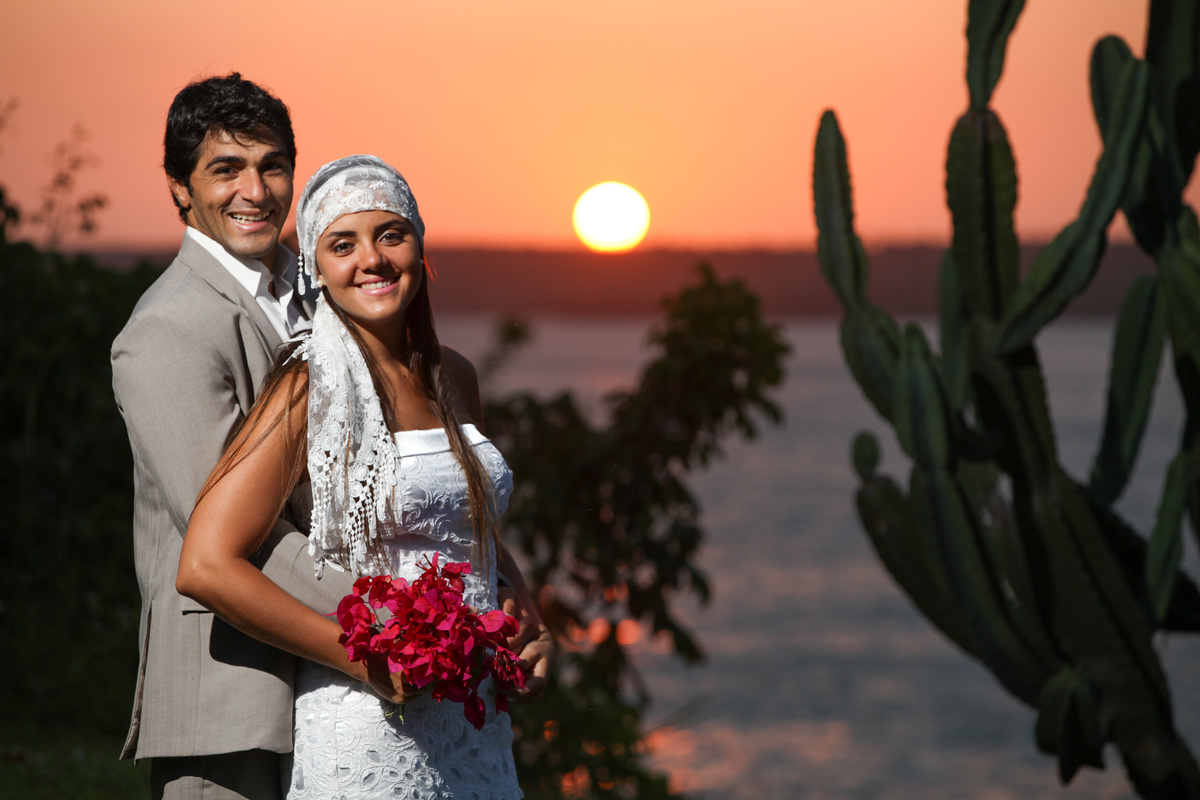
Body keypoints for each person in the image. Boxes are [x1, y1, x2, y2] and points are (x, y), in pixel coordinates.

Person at [112, 75, 547, 800]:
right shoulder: (165, 333)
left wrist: (506, 595)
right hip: (236, 696)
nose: (254, 189)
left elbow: (433, 501)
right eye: (226, 169)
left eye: (272, 165)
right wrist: (405, 624)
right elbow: (229, 542)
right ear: (179, 189)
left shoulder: (321, 290)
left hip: (378, 686)